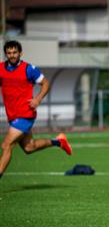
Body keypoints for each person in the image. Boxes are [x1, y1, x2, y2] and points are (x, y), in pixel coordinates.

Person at [0, 40, 72, 179]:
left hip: (25, 114)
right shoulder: (1, 69)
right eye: (9, 53)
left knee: (6, 145)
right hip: (12, 116)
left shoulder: (29, 69)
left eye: (15, 52)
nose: (12, 55)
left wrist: (37, 99)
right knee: (29, 148)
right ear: (6, 54)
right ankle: (59, 142)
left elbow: (45, 84)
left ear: (20, 53)